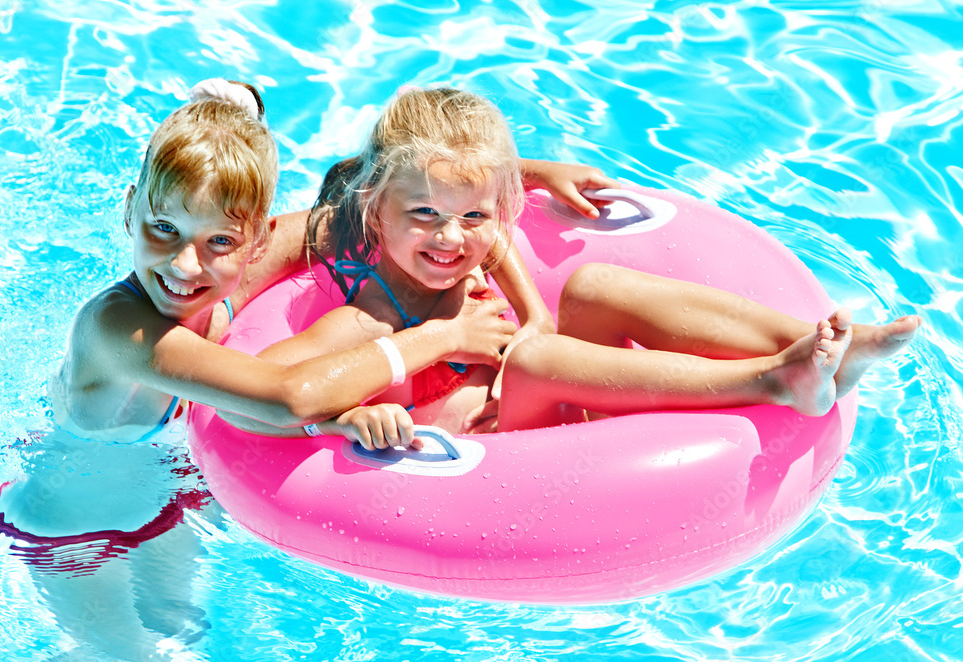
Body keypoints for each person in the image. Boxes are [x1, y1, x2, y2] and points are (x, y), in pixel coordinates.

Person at [237, 87, 919, 446]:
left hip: (554, 410)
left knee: (592, 287)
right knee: (537, 363)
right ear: (376, 211)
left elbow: (488, 236)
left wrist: (533, 313)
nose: (452, 238)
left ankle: (811, 340)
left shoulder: (468, 242)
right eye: (425, 217)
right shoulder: (375, 313)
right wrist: (344, 419)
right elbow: (274, 386)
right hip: (503, 451)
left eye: (475, 216)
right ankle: (774, 379)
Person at [50, 78, 618, 445]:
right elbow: (284, 396)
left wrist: (523, 174)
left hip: (181, 478)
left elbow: (374, 185)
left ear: (257, 243)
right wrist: (444, 337)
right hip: (75, 516)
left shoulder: (239, 264)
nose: (186, 265)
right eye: (164, 229)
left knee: (182, 628)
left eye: (219, 241)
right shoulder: (121, 329)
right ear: (130, 213)